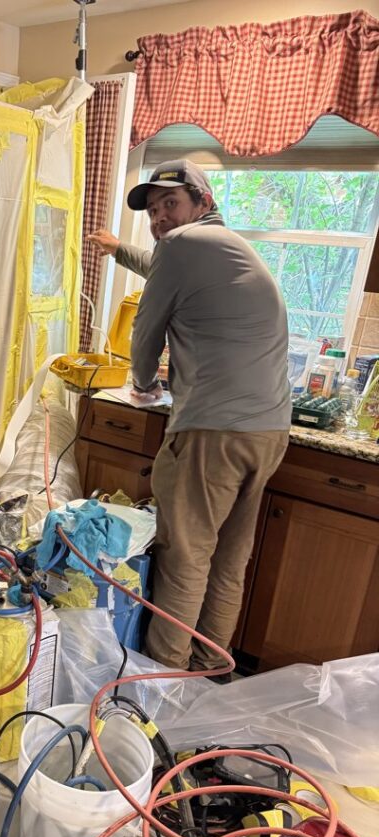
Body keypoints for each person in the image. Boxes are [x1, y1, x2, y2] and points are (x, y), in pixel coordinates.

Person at [88, 159, 291, 678]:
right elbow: (164, 264)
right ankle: (210, 671)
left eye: (169, 205)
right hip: (267, 431)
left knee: (185, 556)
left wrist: (144, 384)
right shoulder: (226, 247)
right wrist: (118, 251)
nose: (158, 219)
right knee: (227, 559)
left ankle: (164, 683)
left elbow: (144, 331)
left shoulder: (181, 247)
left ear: (203, 202)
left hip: (213, 432)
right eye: (153, 212)